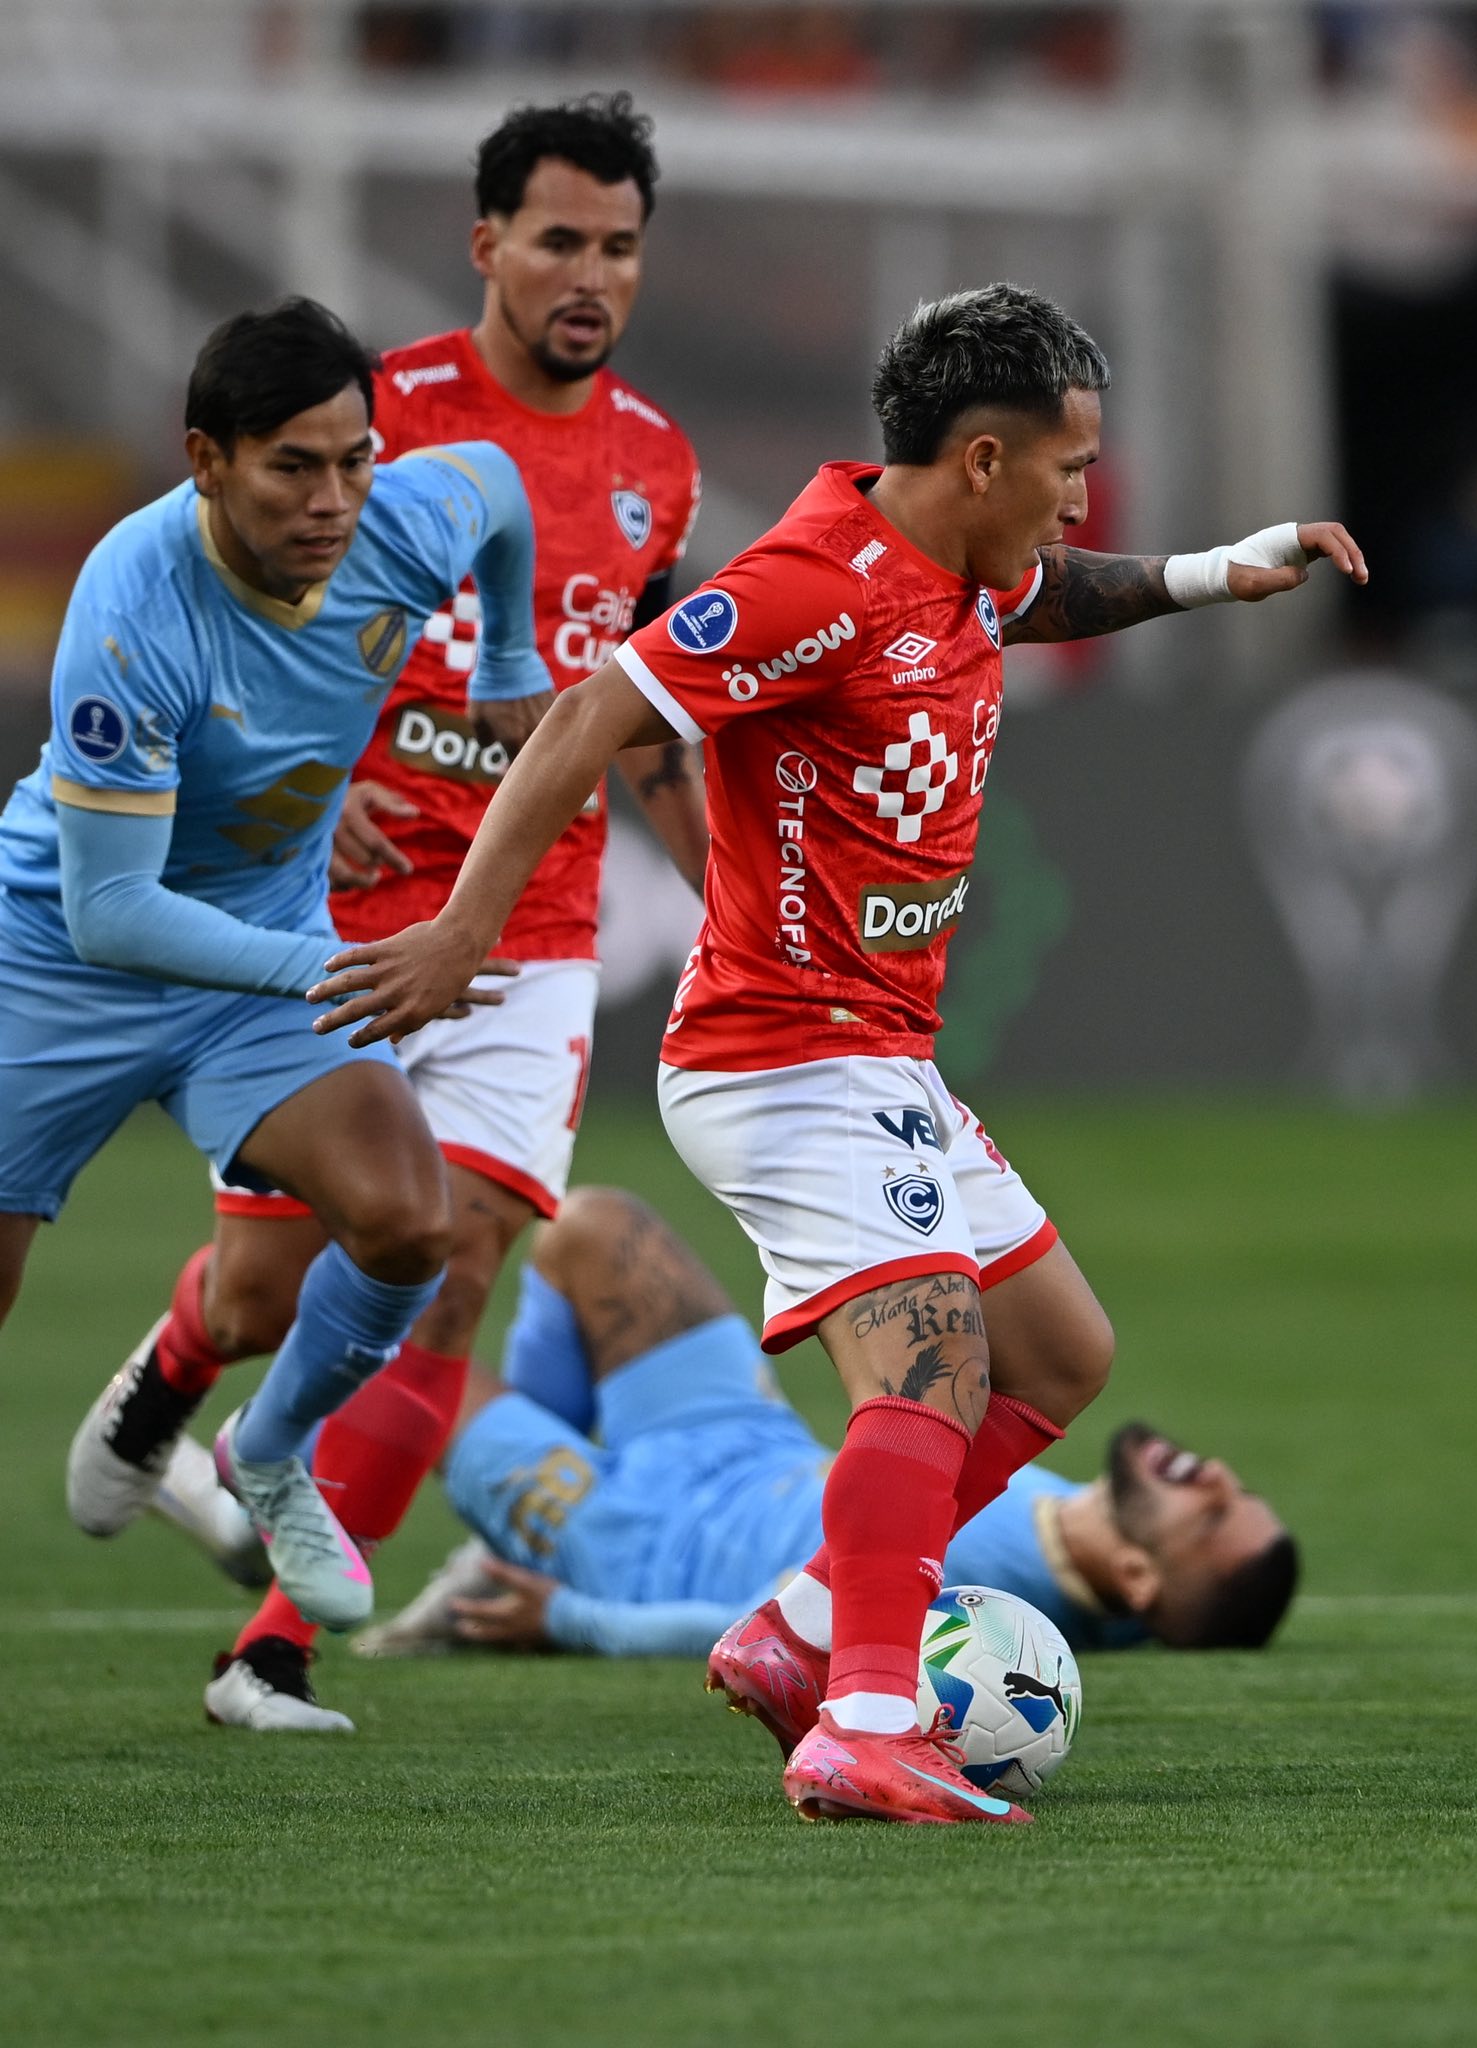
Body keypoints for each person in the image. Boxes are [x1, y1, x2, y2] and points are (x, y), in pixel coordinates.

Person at [307, 282, 1368, 1824]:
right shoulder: (811, 583)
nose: (1082, 493)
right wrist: (468, 930)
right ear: (985, 461)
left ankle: (803, 1628)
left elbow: (1052, 593)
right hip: (778, 1054)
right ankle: (868, 1718)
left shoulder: (967, 564)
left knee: (1060, 1351)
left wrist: (1217, 573)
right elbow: (587, 714)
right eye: (1068, 465)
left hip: (882, 1055)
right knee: (931, 1359)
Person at [63, 95, 706, 1734]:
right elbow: (202, 596)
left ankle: (269, 1646)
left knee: (455, 1260)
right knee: (269, 1290)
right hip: (330, 903)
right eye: (557, 237)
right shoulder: (377, 414)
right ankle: (163, 1393)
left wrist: (730, 890)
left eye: (617, 245)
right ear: (486, 242)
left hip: (526, 928)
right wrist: (279, 781)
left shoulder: (655, 464)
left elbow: (628, 707)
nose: (588, 272)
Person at [0, 295, 551, 1639]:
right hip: (55, 965)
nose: (336, 496)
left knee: (408, 1221)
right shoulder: (133, 614)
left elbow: (497, 485)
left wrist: (513, 648)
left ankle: (269, 1450)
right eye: (293, 465)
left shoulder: (401, 525)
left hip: (258, 951)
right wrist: (338, 966)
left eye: (355, 458)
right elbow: (115, 913)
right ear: (208, 461)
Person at [149, 1188, 1298, 1732]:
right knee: (591, 1225)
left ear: (1140, 1586)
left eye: (1212, 1515)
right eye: (1235, 1489)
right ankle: (454, 1507)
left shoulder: (1000, 1612)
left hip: (634, 1538)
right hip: (739, 1438)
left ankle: (212, 1434)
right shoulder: (1043, 1480)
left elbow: (792, 1621)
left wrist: (571, 1619)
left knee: (400, 1342)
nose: (1213, 1473)